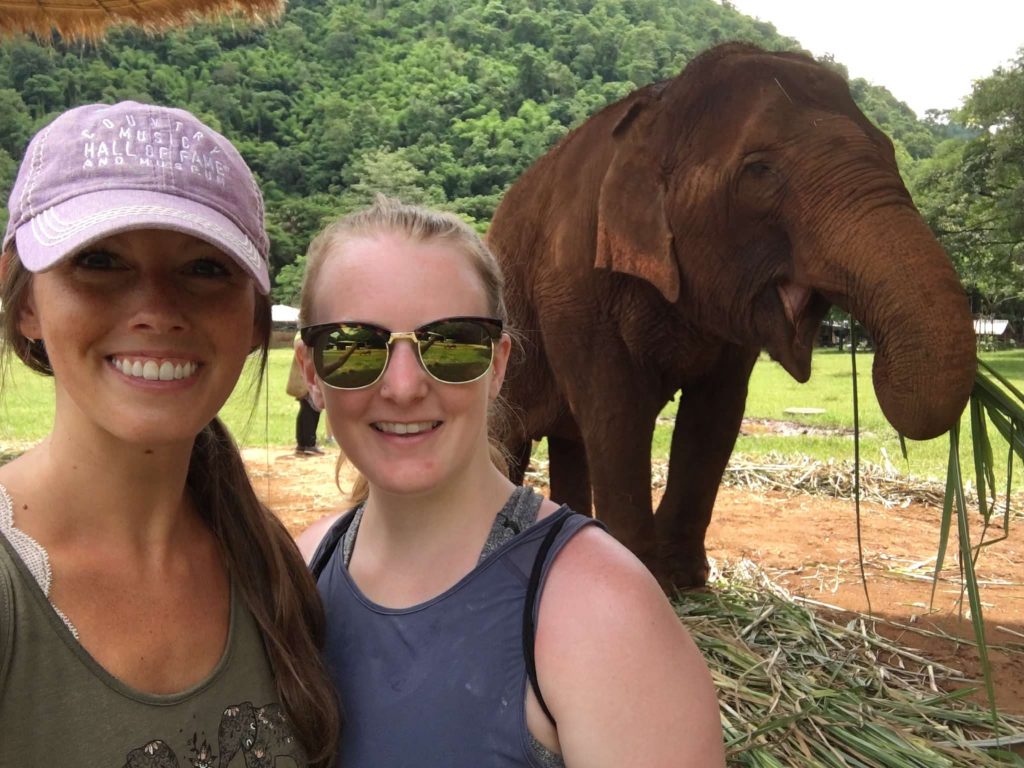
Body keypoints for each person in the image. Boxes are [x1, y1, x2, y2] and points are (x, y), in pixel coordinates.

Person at [294, 197, 726, 767]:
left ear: (497, 366)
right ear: (311, 374)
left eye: (450, 344)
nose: (403, 387)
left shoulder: (601, 612)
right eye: (355, 347)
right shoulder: (298, 574)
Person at [0, 101, 339, 766]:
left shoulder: (270, 565)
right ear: (27, 302)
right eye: (100, 260)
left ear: (251, 325)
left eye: (206, 268)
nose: (156, 309)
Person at [288, 331, 325, 456]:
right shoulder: (306, 339)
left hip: (302, 381)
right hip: (308, 381)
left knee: (305, 411)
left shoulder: (300, 336)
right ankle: (309, 444)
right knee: (312, 412)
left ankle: (302, 444)